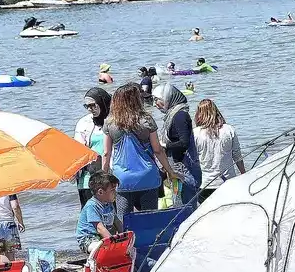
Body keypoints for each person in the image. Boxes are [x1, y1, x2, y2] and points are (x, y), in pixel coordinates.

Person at [103, 83, 170, 218]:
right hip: (148, 176)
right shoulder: (146, 120)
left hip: (122, 178)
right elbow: (158, 150)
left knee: (124, 219)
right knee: (149, 218)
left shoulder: (110, 122)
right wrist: (171, 171)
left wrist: (104, 177)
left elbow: (106, 153)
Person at [153, 83, 203, 206]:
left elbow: (184, 143)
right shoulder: (172, 115)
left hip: (185, 171)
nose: (155, 105)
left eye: (157, 100)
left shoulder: (180, 116)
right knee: (179, 204)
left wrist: (164, 145)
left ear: (168, 98)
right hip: (178, 170)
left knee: (185, 207)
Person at [193, 98, 246, 200]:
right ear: (216, 111)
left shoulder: (195, 133)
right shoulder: (229, 129)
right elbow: (237, 155)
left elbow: (193, 160)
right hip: (227, 182)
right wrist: (244, 174)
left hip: (205, 184)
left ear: (199, 114)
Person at [73, 87, 111, 204]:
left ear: (102, 102)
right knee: (91, 217)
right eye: (87, 106)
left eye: (93, 105)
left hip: (111, 178)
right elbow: (78, 150)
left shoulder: (113, 121)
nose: (90, 109)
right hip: (88, 179)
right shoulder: (84, 123)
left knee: (112, 217)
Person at [76, 173, 122, 255]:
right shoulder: (92, 205)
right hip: (88, 239)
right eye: (113, 190)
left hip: (102, 238)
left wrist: (124, 236)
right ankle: (92, 263)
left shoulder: (109, 204)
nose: (115, 192)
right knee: (100, 248)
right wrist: (113, 243)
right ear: (100, 192)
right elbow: (99, 228)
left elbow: (117, 222)